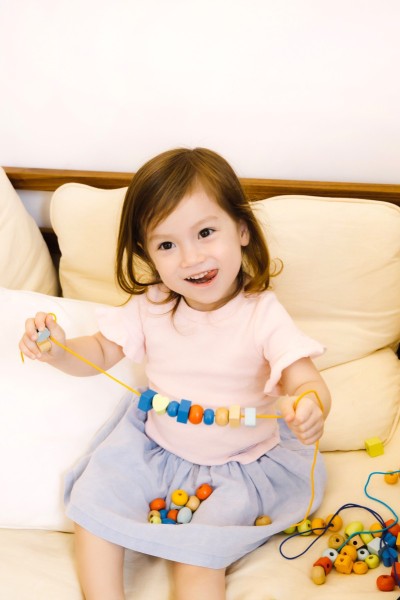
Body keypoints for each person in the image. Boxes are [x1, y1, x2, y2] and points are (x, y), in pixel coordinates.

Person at [19, 148, 331, 600]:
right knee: (92, 509)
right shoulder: (152, 305)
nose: (190, 258)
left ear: (242, 230)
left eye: (205, 232)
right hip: (154, 447)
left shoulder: (262, 315)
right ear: (147, 254)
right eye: (166, 245)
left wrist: (310, 406)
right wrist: (58, 350)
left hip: (238, 464)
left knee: (197, 557)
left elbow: (305, 380)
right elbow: (100, 351)